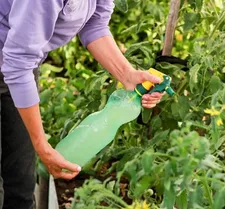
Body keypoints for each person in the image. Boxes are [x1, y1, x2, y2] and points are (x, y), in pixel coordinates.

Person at [0, 0, 165, 208]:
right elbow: (18, 63)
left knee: (21, 184)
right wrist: (42, 145)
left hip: (18, 67)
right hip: (17, 65)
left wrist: (127, 74)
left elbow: (94, 24)